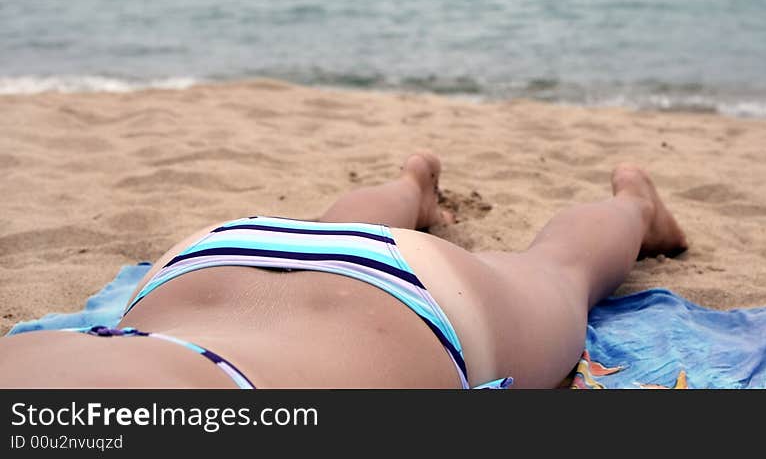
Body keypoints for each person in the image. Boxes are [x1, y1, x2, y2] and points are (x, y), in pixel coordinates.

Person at [0, 151, 687, 389]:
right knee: (336, 237)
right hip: (209, 264)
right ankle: (412, 185)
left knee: (562, 271)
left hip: (399, 309)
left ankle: (635, 203)